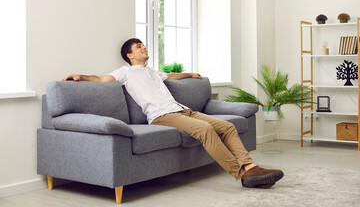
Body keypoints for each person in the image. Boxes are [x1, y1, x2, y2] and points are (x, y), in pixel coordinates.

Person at [63, 38, 284, 188]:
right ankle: (241, 174)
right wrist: (80, 76)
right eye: (139, 47)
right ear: (130, 55)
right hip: (162, 116)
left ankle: (251, 166)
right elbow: (102, 79)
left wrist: (190, 73)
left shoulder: (152, 71)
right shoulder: (125, 72)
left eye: (143, 45)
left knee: (226, 126)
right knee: (206, 130)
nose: (144, 48)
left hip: (182, 110)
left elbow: (171, 76)